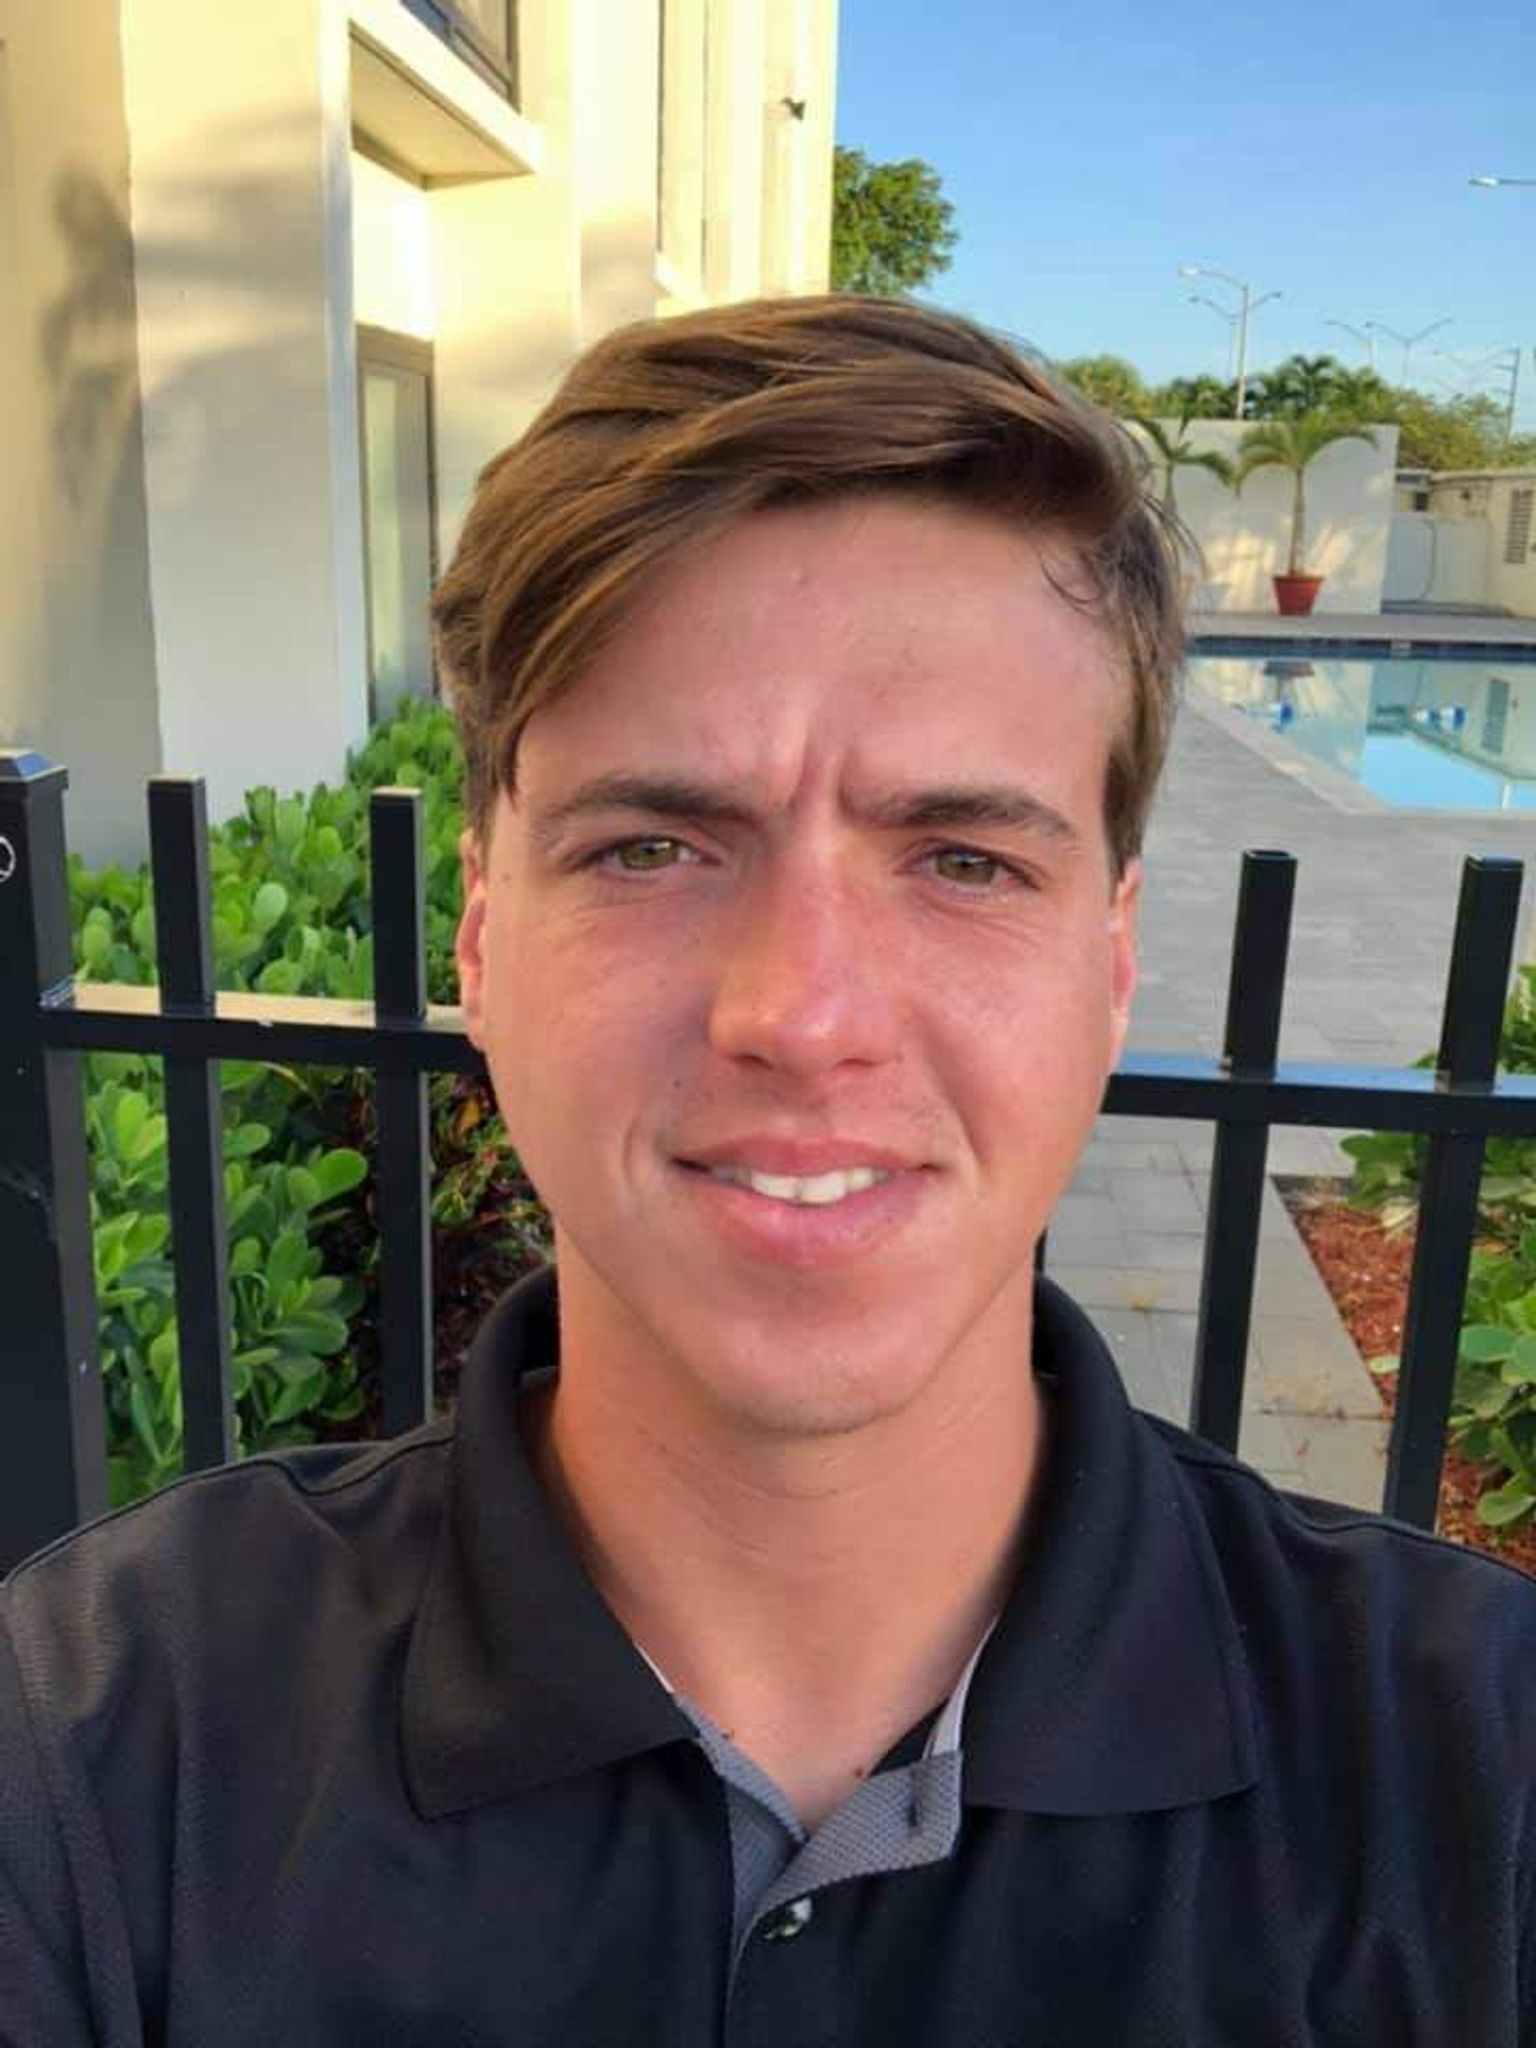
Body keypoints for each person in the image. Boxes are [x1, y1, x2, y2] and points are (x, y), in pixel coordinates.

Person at [2, 295, 1532, 2046]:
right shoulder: (100, 1746)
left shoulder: (1482, 1779)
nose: (801, 1015)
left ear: (1110, 965)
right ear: (483, 939)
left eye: (962, 861)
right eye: (650, 845)